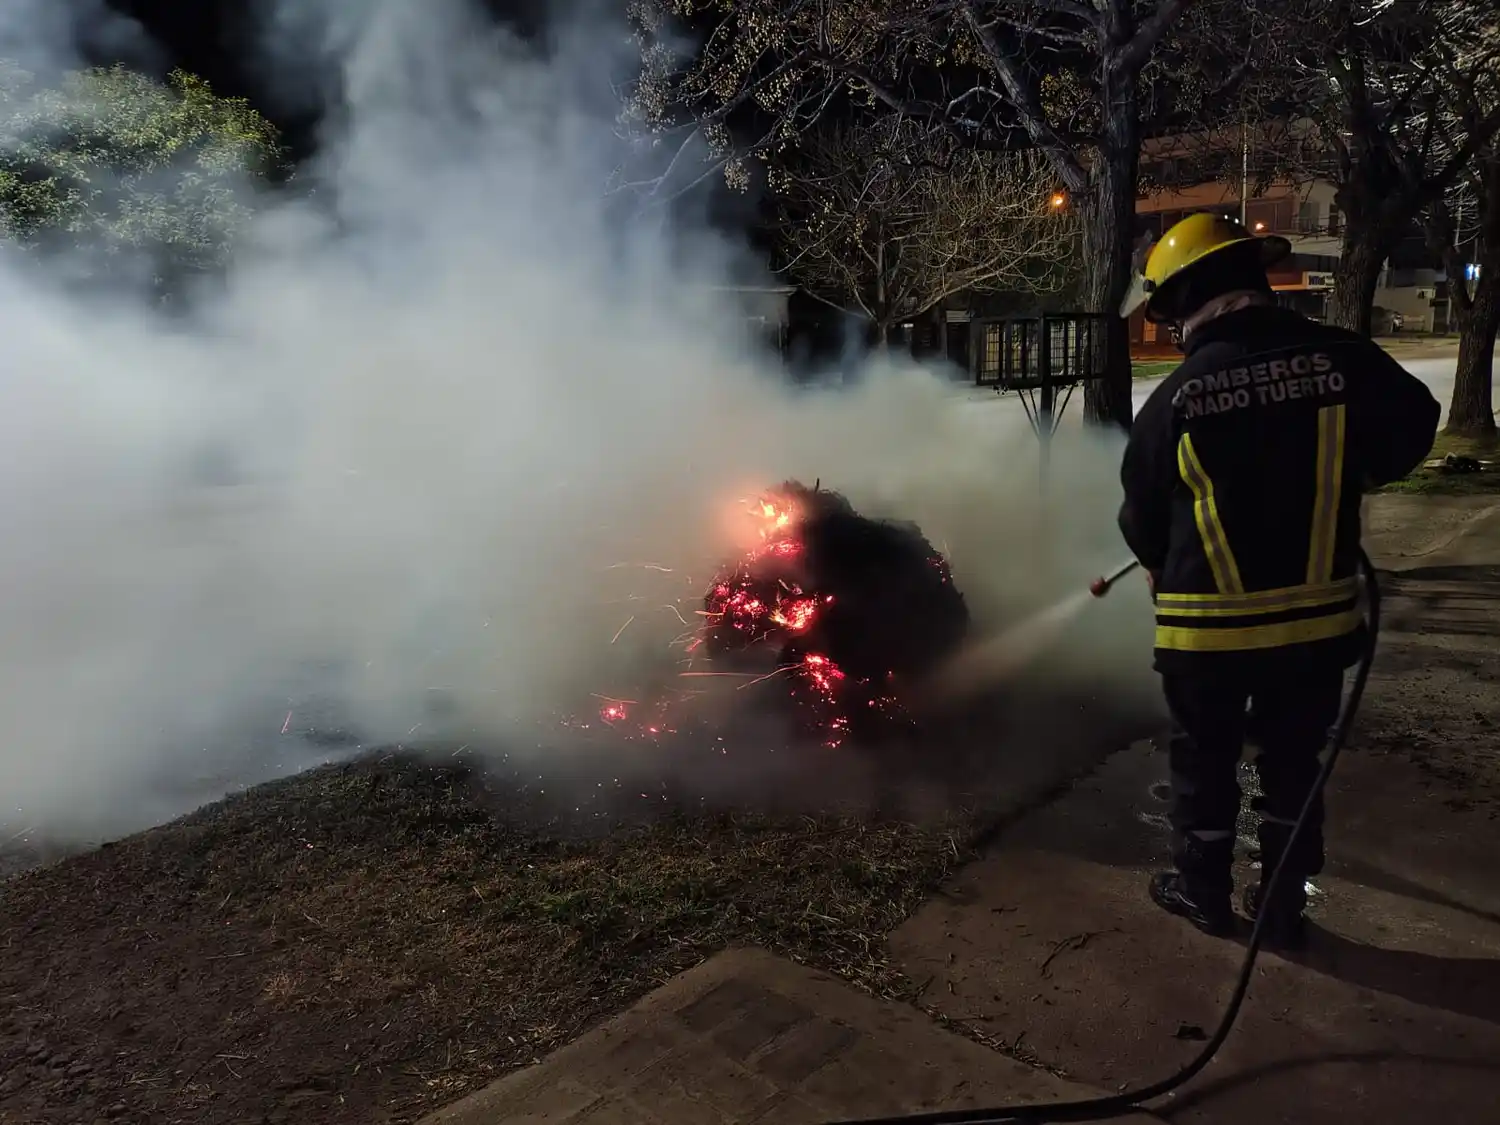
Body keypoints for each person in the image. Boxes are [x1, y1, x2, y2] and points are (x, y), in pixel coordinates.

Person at [1117, 213, 1440, 949]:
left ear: (1188, 297)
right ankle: (1282, 903)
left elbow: (1140, 519)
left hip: (1205, 633)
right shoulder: (1343, 359)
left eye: (1168, 310)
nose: (1169, 326)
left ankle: (1201, 890)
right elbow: (1416, 420)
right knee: (1295, 760)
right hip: (1315, 625)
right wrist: (1361, 472)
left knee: (1205, 759)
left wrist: (1160, 559)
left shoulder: (1176, 400)